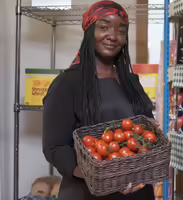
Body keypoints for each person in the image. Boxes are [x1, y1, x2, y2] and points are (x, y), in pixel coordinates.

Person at [42, 1, 155, 200]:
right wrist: (97, 175)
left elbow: (145, 129)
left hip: (136, 189)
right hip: (88, 192)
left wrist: (152, 132)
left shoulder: (131, 81)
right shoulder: (68, 83)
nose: (113, 36)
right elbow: (55, 146)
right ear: (89, 31)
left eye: (121, 30)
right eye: (104, 27)